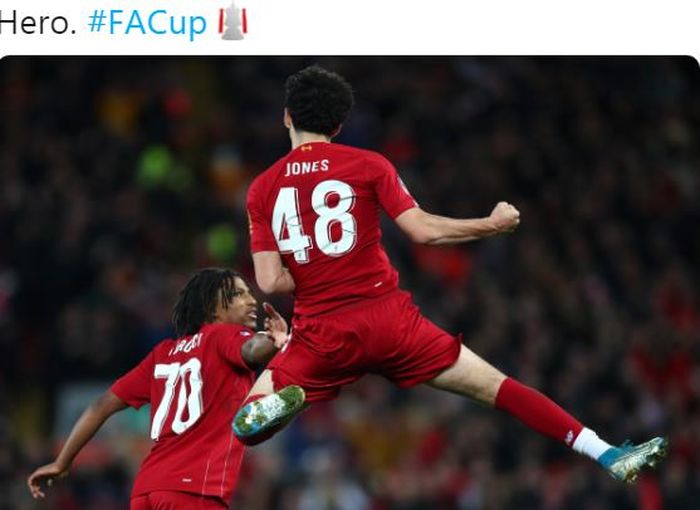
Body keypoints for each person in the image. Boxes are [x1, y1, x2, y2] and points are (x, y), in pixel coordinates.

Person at [234, 65, 667, 482]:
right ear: (339, 126)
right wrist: (491, 224)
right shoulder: (369, 164)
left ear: (287, 116)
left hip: (322, 335)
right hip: (389, 321)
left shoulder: (264, 188)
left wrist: (317, 274)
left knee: (246, 423)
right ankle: (606, 452)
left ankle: (283, 401)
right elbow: (421, 231)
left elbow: (270, 281)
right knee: (498, 387)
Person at [28, 268, 289, 509]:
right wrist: (274, 341)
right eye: (238, 294)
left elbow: (100, 406)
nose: (252, 300)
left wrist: (62, 461)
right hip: (193, 491)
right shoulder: (224, 335)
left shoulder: (162, 354)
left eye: (250, 293)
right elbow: (252, 350)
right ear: (212, 309)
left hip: (146, 491)